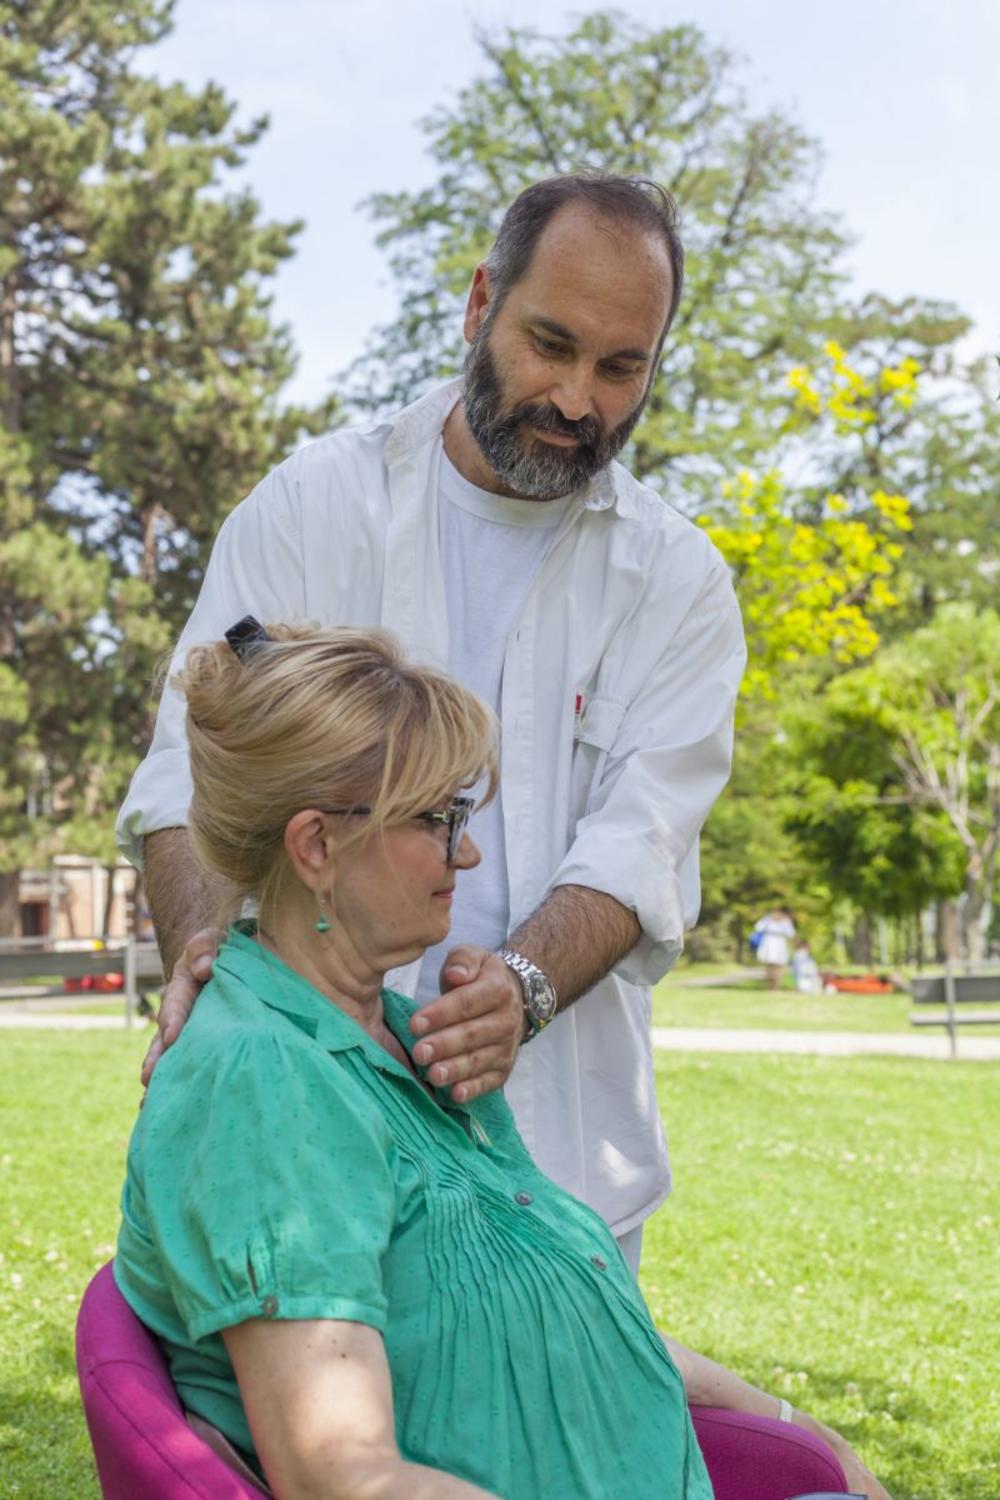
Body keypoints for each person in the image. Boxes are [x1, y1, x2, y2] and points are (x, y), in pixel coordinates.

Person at [117, 173, 748, 1271]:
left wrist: (524, 988)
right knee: (310, 1434)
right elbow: (191, 771)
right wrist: (205, 954)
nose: (576, 399)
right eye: (549, 343)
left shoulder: (677, 582)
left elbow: (641, 837)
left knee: (554, 1434)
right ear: (479, 304)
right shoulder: (314, 506)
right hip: (296, 1126)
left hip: (556, 1153)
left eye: (619, 367)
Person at [115, 623, 890, 1500]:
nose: (469, 852)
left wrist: (802, 1431)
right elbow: (341, 1475)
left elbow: (560, 1302)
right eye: (439, 820)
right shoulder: (264, 1084)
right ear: (317, 846)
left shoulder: (400, 1036)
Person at [751, 908, 796, 989]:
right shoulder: (767, 920)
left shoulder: (786, 922)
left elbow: (791, 933)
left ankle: (777, 986)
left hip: (780, 945)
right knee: (770, 966)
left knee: (779, 966)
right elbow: (758, 927)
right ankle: (769, 986)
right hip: (768, 944)